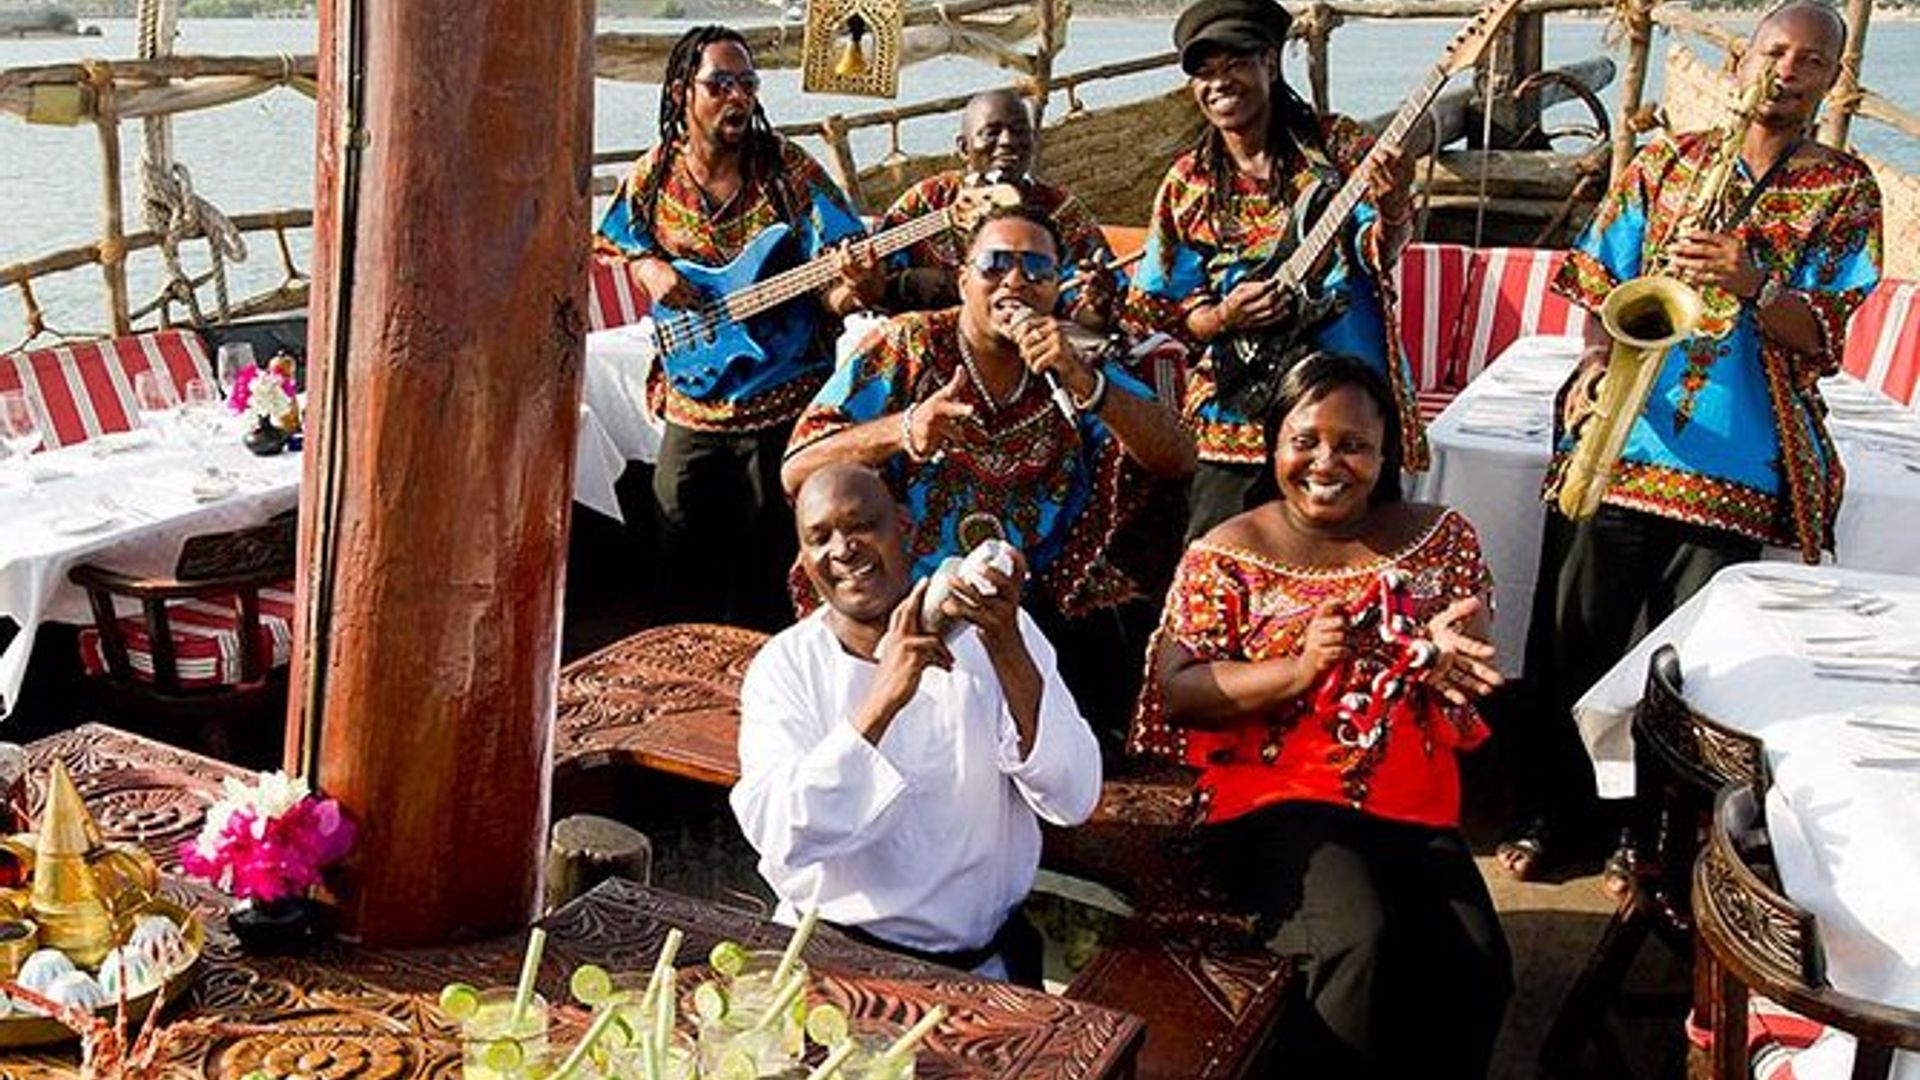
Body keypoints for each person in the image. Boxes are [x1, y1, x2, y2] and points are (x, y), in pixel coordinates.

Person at [1500, 0, 1883, 886]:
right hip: (1619, 445)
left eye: (1811, 61)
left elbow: (1824, 334)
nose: (1787, 71)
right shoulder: (1670, 159)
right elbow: (1599, 277)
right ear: (1744, 60)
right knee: (1573, 643)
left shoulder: (1845, 188)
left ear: (1831, 80)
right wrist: (1599, 358)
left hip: (1732, 468)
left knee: (1685, 674)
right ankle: (1554, 816)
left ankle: (1652, 841)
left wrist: (1753, 283)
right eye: (1775, 52)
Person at [1131, 352, 1510, 1077]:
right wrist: (1300, 670)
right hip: (1277, 797)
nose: (1326, 462)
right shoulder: (1228, 552)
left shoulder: (1442, 537)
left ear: (1386, 453)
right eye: (1304, 441)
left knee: (1477, 966)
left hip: (1408, 795)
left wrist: (1453, 652)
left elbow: (1474, 638)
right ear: (1274, 443)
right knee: (1356, 943)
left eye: (1354, 445)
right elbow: (1177, 688)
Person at [782, 204, 1196, 744]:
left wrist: (1087, 384)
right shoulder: (909, 346)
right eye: (996, 265)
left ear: (1058, 288)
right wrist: (904, 429)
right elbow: (798, 468)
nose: (1016, 282)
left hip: (1028, 602)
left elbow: (1177, 456)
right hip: (905, 600)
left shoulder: (1068, 361)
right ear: (963, 278)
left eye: (1038, 270)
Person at [731, 464, 1102, 985]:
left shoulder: (993, 632)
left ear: (904, 528)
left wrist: (1007, 646)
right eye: (819, 538)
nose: (843, 549)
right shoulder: (785, 665)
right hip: (828, 964)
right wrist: (885, 695)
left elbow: (1074, 796)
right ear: (803, 557)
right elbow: (781, 834)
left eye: (861, 525)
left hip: (981, 972)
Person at [596, 25, 882, 630]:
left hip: (783, 398)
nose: (737, 97)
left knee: (772, 562)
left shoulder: (787, 171)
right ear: (682, 93)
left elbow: (837, 285)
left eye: (746, 84)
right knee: (676, 544)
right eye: (720, 84)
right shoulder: (655, 174)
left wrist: (854, 285)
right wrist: (648, 266)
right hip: (692, 400)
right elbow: (615, 231)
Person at [1125, 0, 1425, 543]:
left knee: (1363, 556)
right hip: (1237, 410)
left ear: (1269, 61)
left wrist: (1395, 206)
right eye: (1204, 73)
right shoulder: (1188, 181)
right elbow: (1156, 306)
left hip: (1346, 405)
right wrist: (1221, 316)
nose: (1218, 83)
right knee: (1222, 555)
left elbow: (1378, 252)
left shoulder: (1335, 148)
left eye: (1234, 64)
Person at [876, 88, 1119, 330]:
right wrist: (913, 283)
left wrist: (1098, 304)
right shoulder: (928, 200)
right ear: (964, 148)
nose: (1008, 141)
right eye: (992, 132)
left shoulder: (1060, 209)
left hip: (1035, 340)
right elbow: (876, 283)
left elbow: (1086, 315)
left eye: (1019, 132)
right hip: (936, 343)